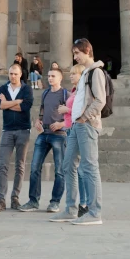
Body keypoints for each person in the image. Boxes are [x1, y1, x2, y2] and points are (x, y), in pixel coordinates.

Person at [50, 38, 105, 226]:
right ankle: (71, 209)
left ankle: (94, 212)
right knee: (68, 165)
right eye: (73, 54)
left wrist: (84, 117)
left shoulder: (95, 72)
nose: (75, 57)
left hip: (86, 124)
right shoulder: (85, 74)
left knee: (89, 167)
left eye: (77, 53)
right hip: (75, 126)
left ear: (87, 51)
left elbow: (100, 100)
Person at [19, 67, 67, 213]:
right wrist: (38, 121)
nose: (50, 78)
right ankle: (33, 201)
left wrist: (62, 124)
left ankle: (55, 202)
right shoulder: (45, 92)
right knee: (34, 168)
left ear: (60, 78)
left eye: (53, 76)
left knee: (59, 170)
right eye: (49, 75)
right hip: (43, 134)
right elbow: (42, 110)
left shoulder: (66, 94)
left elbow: (73, 115)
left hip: (59, 135)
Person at [0, 63, 33, 212]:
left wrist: (7, 103)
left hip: (23, 130)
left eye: (15, 74)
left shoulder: (27, 89)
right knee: (3, 165)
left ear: (20, 74)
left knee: (20, 166)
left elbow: (25, 107)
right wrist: (16, 102)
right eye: (10, 74)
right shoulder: (3, 89)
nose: (13, 76)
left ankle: (15, 198)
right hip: (7, 130)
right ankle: (1, 199)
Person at [57, 64, 87, 217]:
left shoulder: (82, 91)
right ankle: (74, 206)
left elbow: (81, 110)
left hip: (76, 129)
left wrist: (65, 110)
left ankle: (83, 204)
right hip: (70, 129)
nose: (71, 76)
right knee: (71, 167)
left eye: (75, 74)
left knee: (77, 168)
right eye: (71, 73)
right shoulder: (74, 91)